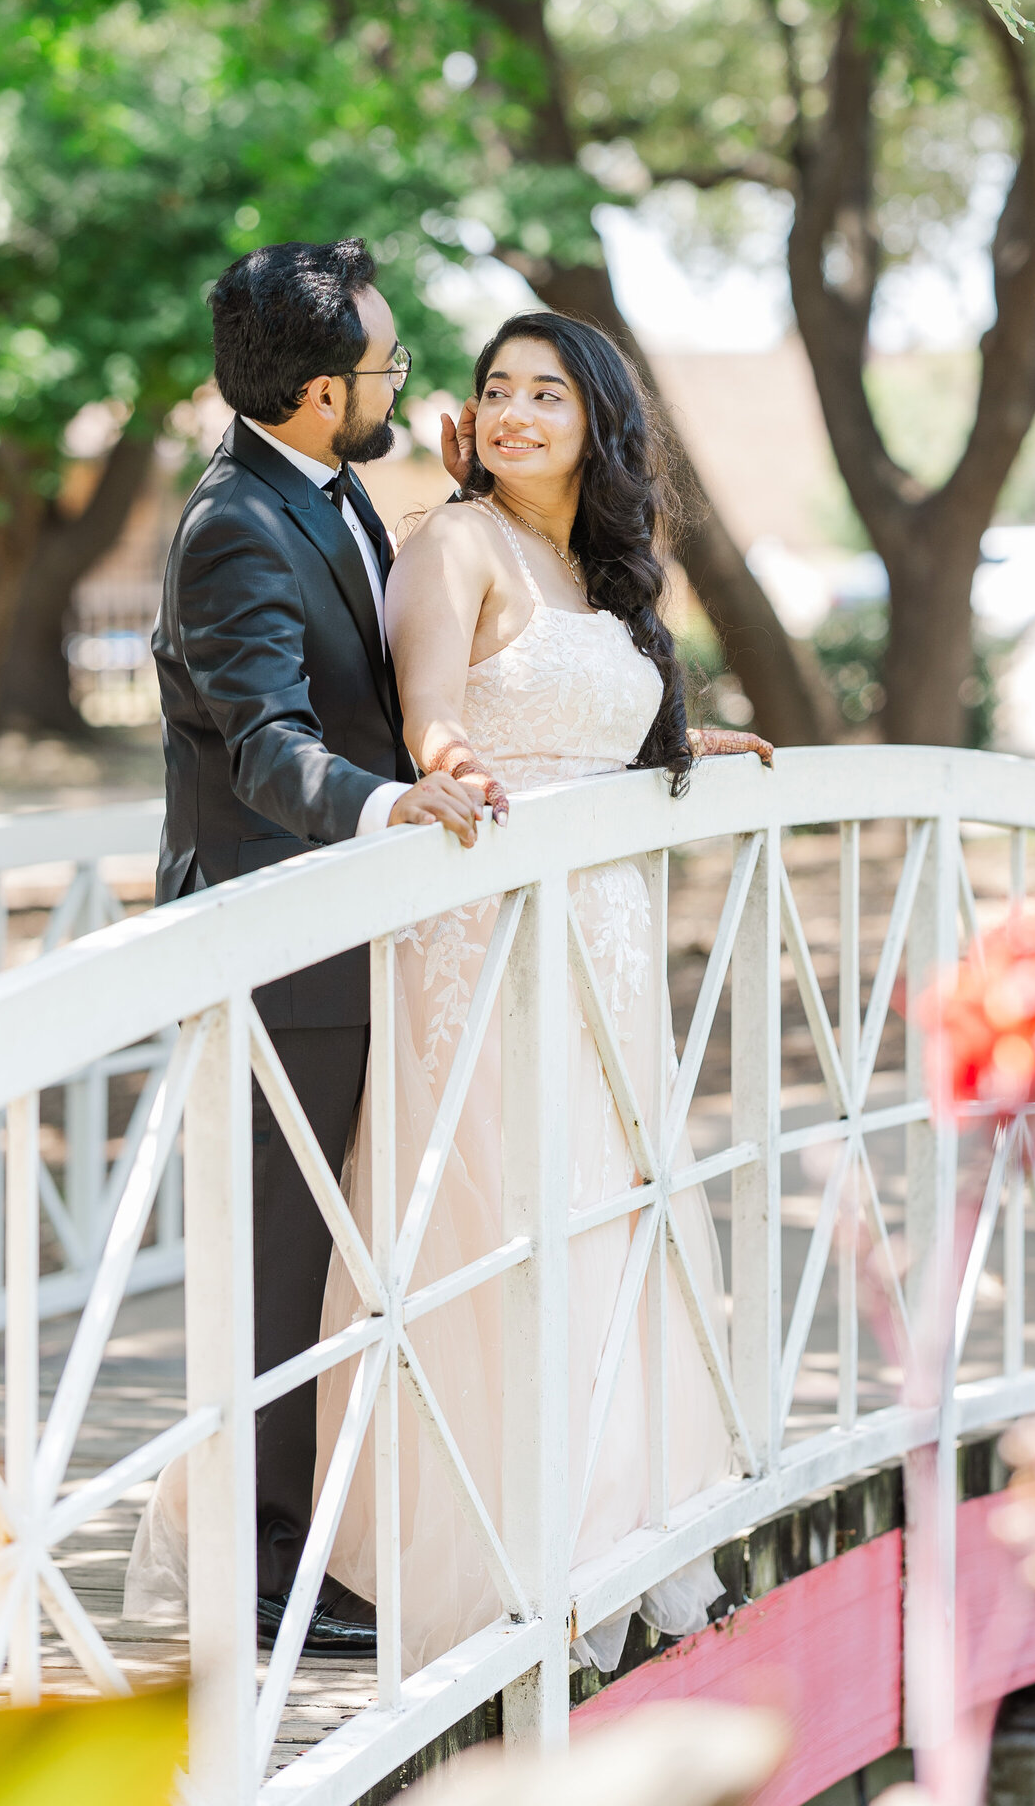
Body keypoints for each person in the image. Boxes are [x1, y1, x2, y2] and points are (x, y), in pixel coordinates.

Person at [316, 310, 772, 1671]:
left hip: (611, 942)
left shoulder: (608, 569)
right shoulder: (452, 542)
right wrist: (449, 771)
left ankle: (621, 1529)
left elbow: (604, 724)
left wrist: (683, 751)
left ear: (597, 422)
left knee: (613, 1213)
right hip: (492, 925)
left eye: (547, 394)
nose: (514, 413)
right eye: (496, 390)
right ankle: (513, 1558)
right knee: (506, 1215)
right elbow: (433, 715)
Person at [127, 240, 481, 1654]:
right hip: (280, 949)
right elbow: (271, 748)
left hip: (343, 943)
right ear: (325, 390)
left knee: (329, 1264)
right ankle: (257, 1574)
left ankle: (296, 1538)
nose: (399, 383)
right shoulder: (231, 526)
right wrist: (399, 806)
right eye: (386, 368)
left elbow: (370, 668)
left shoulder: (321, 490)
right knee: (278, 1268)